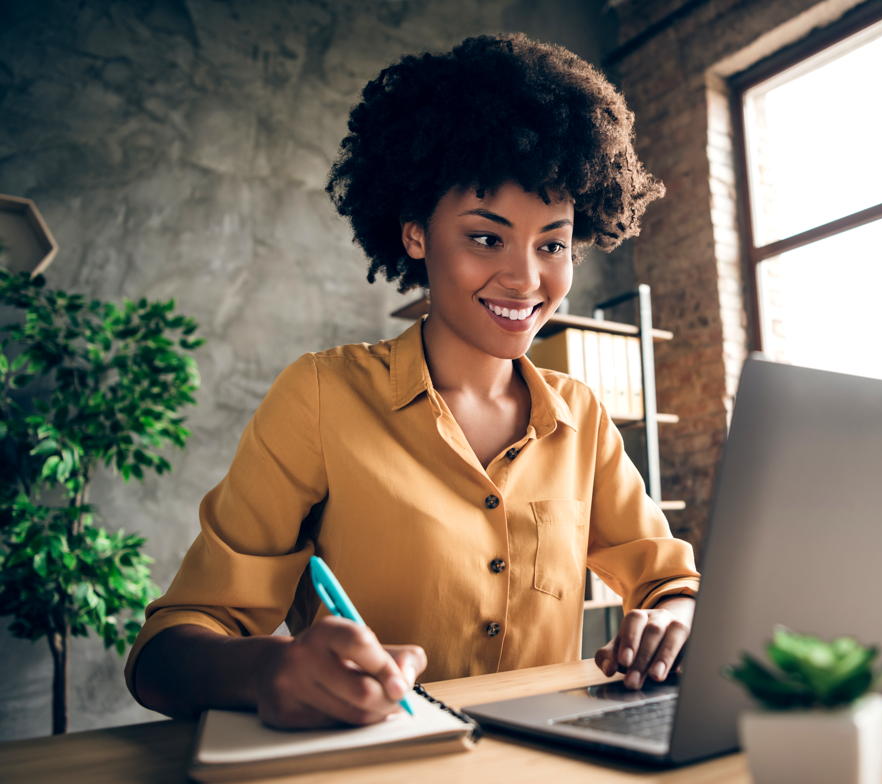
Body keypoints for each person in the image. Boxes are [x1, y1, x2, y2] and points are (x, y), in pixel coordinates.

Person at [126, 33, 700, 730]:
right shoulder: (320, 398)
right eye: (486, 238)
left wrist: (673, 619)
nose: (526, 278)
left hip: (550, 782)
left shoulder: (579, 416)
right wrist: (273, 669)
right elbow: (164, 656)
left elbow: (671, 582)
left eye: (552, 243)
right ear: (416, 235)